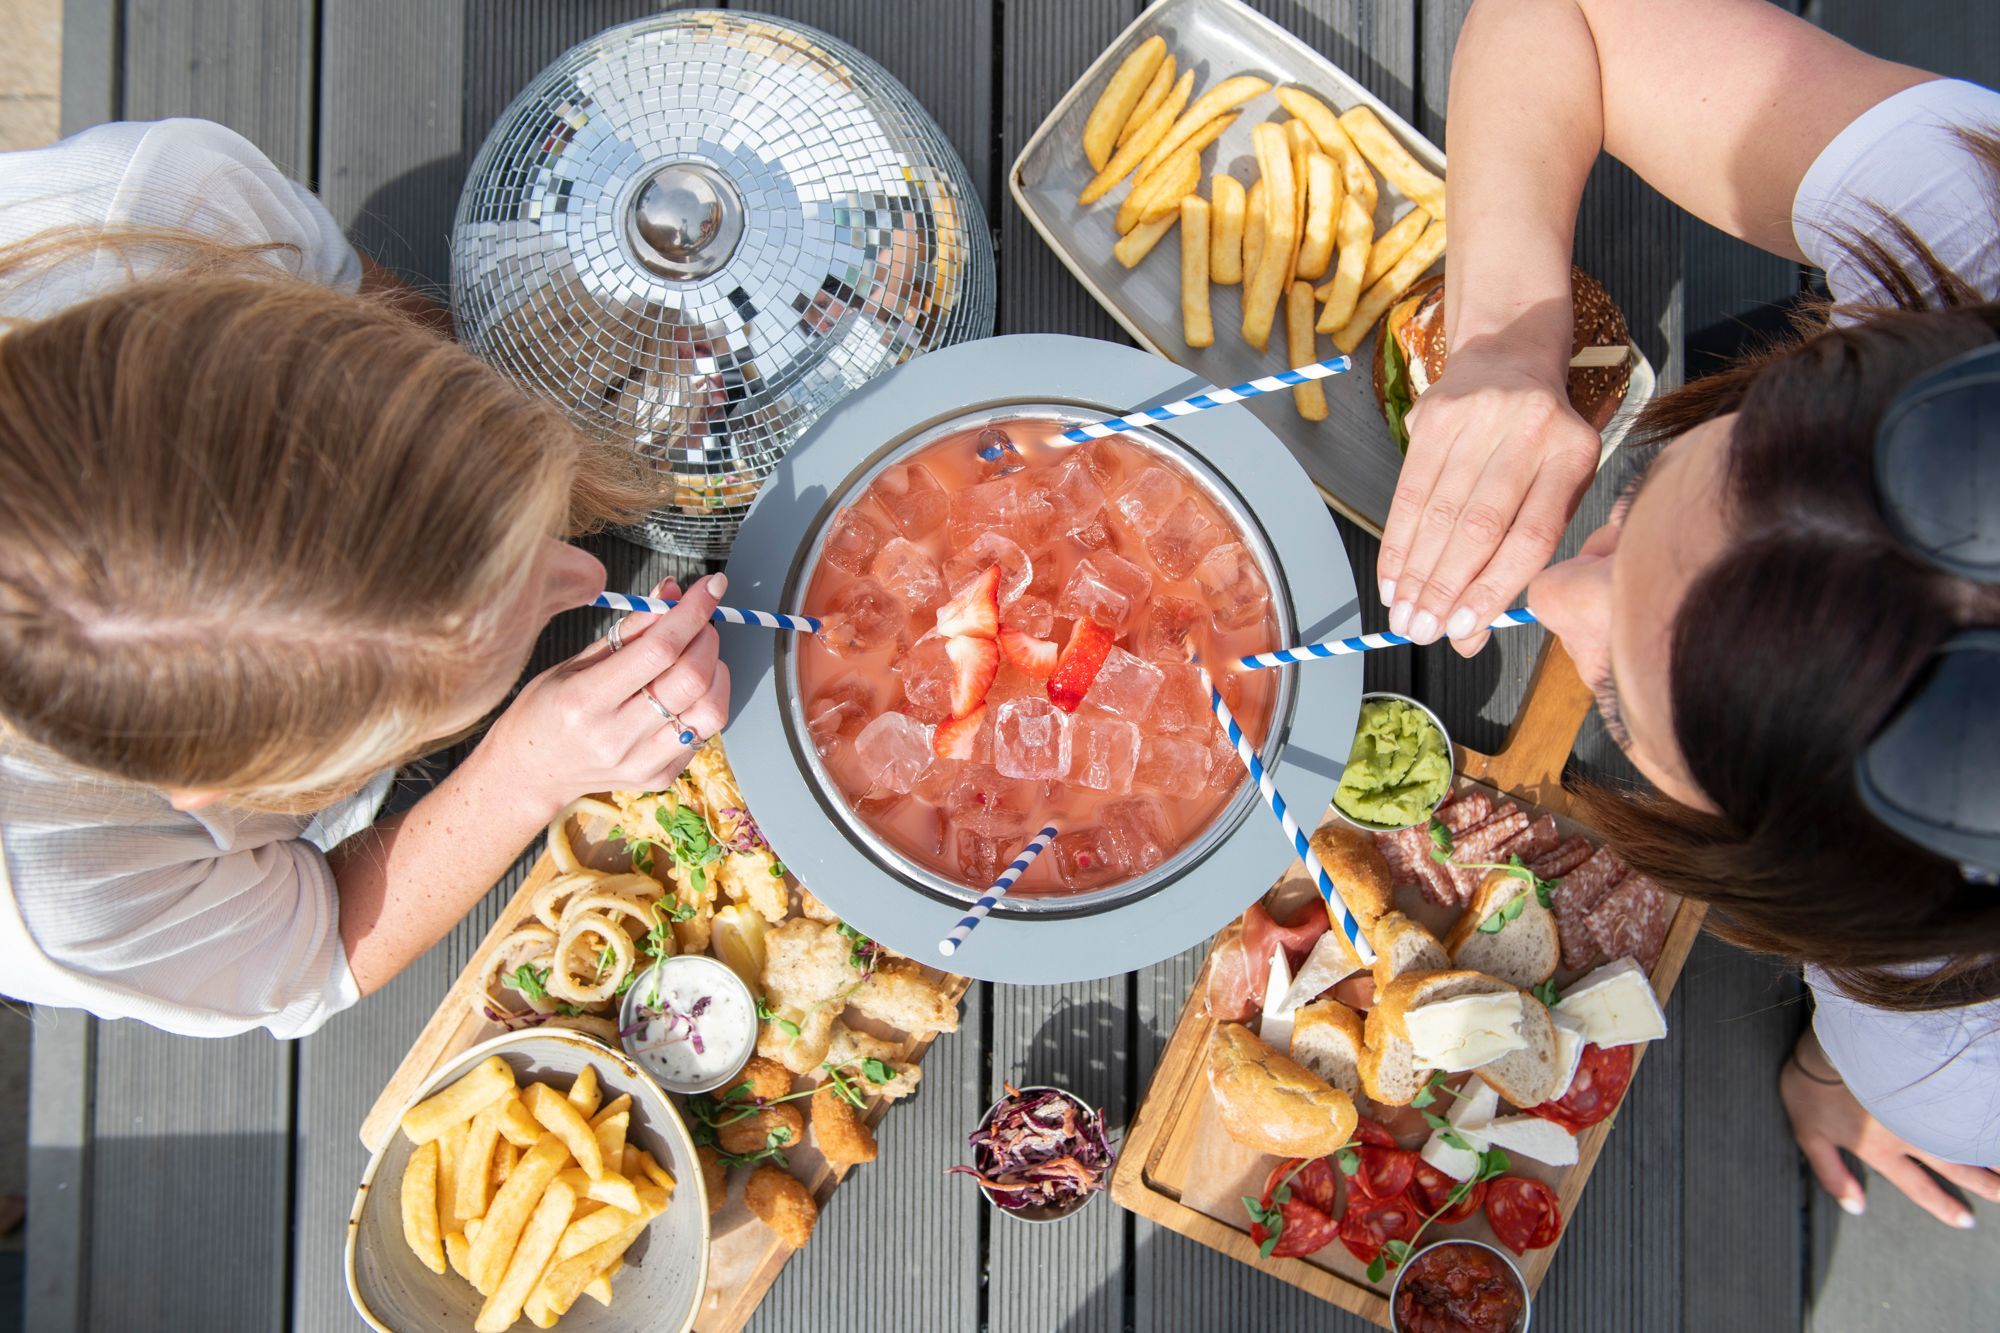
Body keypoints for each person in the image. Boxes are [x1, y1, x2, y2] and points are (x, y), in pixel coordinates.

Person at [1410, 0, 2000, 1227]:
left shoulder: (1959, 1072)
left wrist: (1856, 1068)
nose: (1540, 589)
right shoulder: (1968, 244)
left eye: (1616, 703)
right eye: (1638, 489)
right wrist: (1509, 340)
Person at [0, 118, 726, 1038]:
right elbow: (312, 949)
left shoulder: (162, 205)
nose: (585, 572)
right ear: (218, 785)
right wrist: (525, 773)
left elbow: (387, 328)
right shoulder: (63, 906)